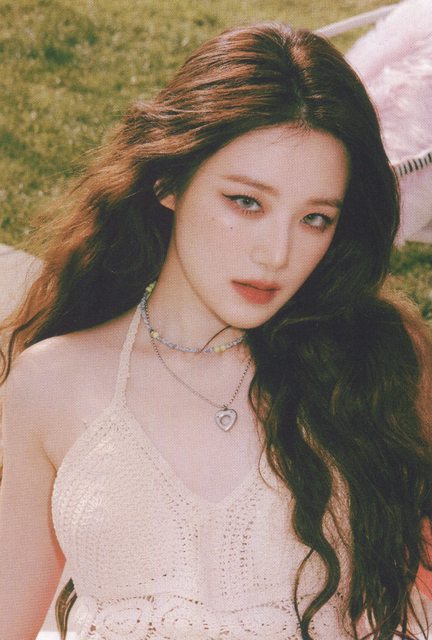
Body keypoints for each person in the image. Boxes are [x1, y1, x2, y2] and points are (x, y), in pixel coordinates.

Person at [0, 22, 431, 640]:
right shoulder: (52, 381)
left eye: (315, 218)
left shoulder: (374, 365)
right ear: (169, 181)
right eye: (246, 202)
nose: (276, 254)